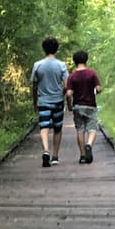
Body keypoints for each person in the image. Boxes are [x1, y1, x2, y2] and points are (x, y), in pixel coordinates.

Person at [30, 37, 69, 168]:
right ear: (56, 49)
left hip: (43, 101)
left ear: (44, 49)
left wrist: (35, 102)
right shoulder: (61, 65)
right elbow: (67, 85)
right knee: (57, 128)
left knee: (44, 127)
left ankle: (46, 150)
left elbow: (34, 86)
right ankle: (55, 156)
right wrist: (64, 95)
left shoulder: (37, 65)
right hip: (58, 100)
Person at [65, 49, 102, 164]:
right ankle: (89, 145)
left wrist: (69, 105)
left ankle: (82, 156)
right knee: (92, 128)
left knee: (80, 130)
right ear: (86, 60)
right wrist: (95, 91)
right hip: (90, 106)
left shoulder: (72, 76)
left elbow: (68, 93)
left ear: (74, 61)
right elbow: (98, 88)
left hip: (77, 106)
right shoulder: (92, 73)